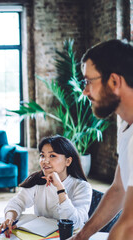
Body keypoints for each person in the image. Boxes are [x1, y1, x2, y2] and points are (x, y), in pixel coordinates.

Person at [69, 40, 133, 240]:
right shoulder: (126, 126)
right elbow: (118, 189)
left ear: (114, 81)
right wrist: (82, 236)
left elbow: (129, 226)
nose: (85, 91)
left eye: (89, 81)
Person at [0, 135, 92, 239]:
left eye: (52, 156)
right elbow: (16, 203)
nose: (45, 161)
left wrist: (60, 188)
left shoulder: (82, 187)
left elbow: (74, 223)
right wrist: (9, 218)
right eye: (42, 155)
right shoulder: (37, 180)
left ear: (68, 161)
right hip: (40, 236)